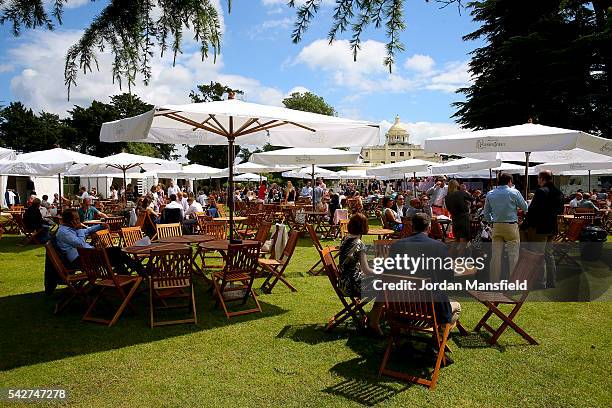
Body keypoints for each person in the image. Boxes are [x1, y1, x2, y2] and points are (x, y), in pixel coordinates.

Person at [386, 213, 461, 362]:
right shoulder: (439, 247)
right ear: (429, 227)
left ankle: (403, 343)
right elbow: (448, 278)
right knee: (456, 307)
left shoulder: (397, 245)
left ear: (412, 226)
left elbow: (389, 274)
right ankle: (435, 345)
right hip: (429, 307)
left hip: (401, 305)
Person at [337, 213, 383, 334]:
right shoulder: (359, 244)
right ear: (364, 227)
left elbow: (353, 263)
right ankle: (374, 322)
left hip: (342, 283)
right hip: (352, 286)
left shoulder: (345, 239)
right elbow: (367, 270)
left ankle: (373, 318)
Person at [483, 172, 528, 283]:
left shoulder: (490, 193)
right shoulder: (514, 192)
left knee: (495, 256)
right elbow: (525, 207)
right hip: (511, 226)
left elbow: (486, 213)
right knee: (513, 256)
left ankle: (494, 281)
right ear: (510, 181)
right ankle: (514, 282)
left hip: (497, 225)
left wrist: (491, 221)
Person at [525, 170, 564, 289]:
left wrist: (525, 225)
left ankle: (540, 282)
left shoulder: (541, 191)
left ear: (542, 178)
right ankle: (551, 281)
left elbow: (533, 211)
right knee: (548, 254)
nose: (537, 180)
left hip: (540, 227)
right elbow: (560, 211)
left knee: (539, 255)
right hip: (552, 227)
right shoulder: (559, 192)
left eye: (538, 178)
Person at [444, 179, 472, 245]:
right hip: (463, 218)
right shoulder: (461, 193)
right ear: (457, 185)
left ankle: (451, 255)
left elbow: (448, 208)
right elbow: (471, 198)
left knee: (456, 240)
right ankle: (460, 255)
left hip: (455, 218)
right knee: (463, 241)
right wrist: (465, 191)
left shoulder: (447, 197)